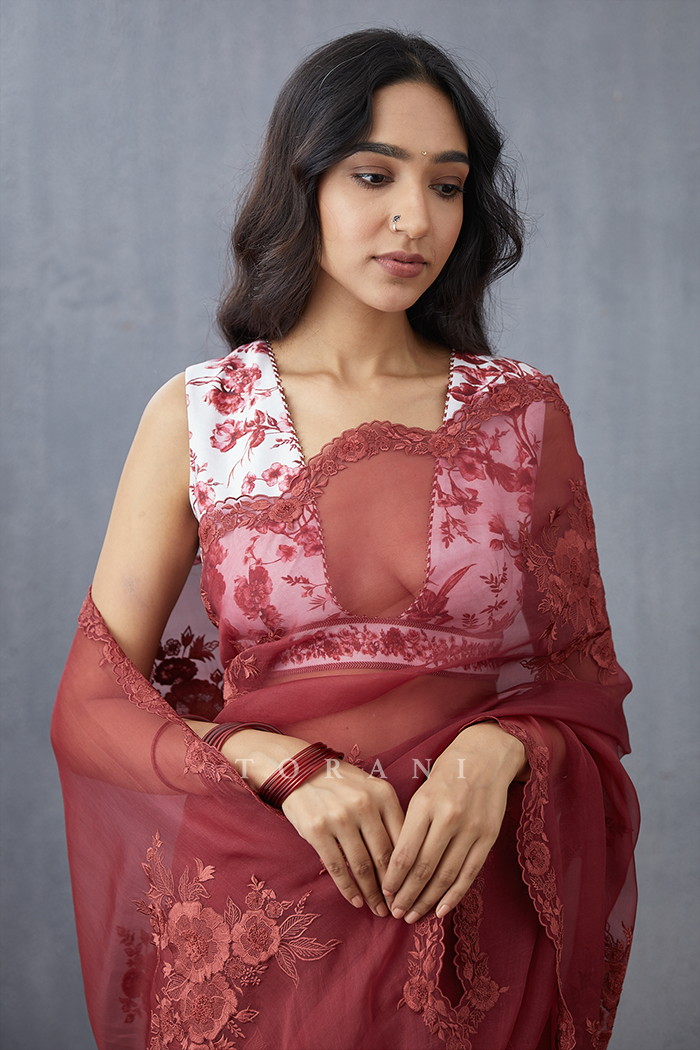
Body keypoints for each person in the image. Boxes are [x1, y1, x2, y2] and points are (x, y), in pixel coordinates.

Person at [52, 28, 639, 1050]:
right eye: (375, 175)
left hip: (470, 924)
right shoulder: (201, 415)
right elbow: (93, 706)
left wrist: (499, 748)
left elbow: (584, 688)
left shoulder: (520, 416)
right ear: (304, 184)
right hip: (261, 924)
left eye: (447, 185)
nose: (417, 217)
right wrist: (273, 761)